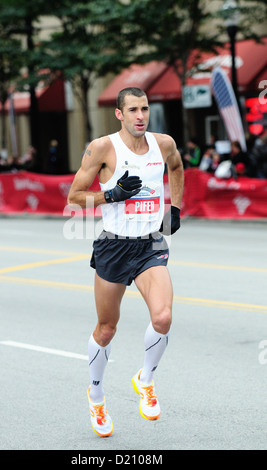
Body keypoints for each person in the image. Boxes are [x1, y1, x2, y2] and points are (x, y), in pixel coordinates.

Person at [68, 87, 184, 437]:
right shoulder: (102, 148)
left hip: (150, 244)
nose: (140, 116)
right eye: (132, 109)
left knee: (163, 317)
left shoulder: (163, 143)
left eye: (145, 109)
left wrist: (175, 207)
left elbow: (176, 167)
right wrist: (112, 194)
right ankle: (98, 395)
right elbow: (74, 197)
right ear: (119, 113)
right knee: (107, 328)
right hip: (114, 246)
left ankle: (145, 379)